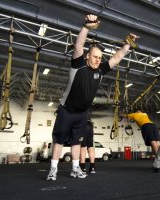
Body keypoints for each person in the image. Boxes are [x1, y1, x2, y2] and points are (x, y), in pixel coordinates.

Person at [46, 14, 139, 181]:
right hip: (66, 110)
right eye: (95, 57)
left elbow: (116, 58)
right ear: (88, 56)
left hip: (82, 114)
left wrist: (127, 45)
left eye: (100, 58)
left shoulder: (100, 71)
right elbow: (79, 45)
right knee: (59, 140)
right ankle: (53, 170)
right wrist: (86, 27)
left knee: (77, 142)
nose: (98, 60)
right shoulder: (78, 65)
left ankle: (75, 169)